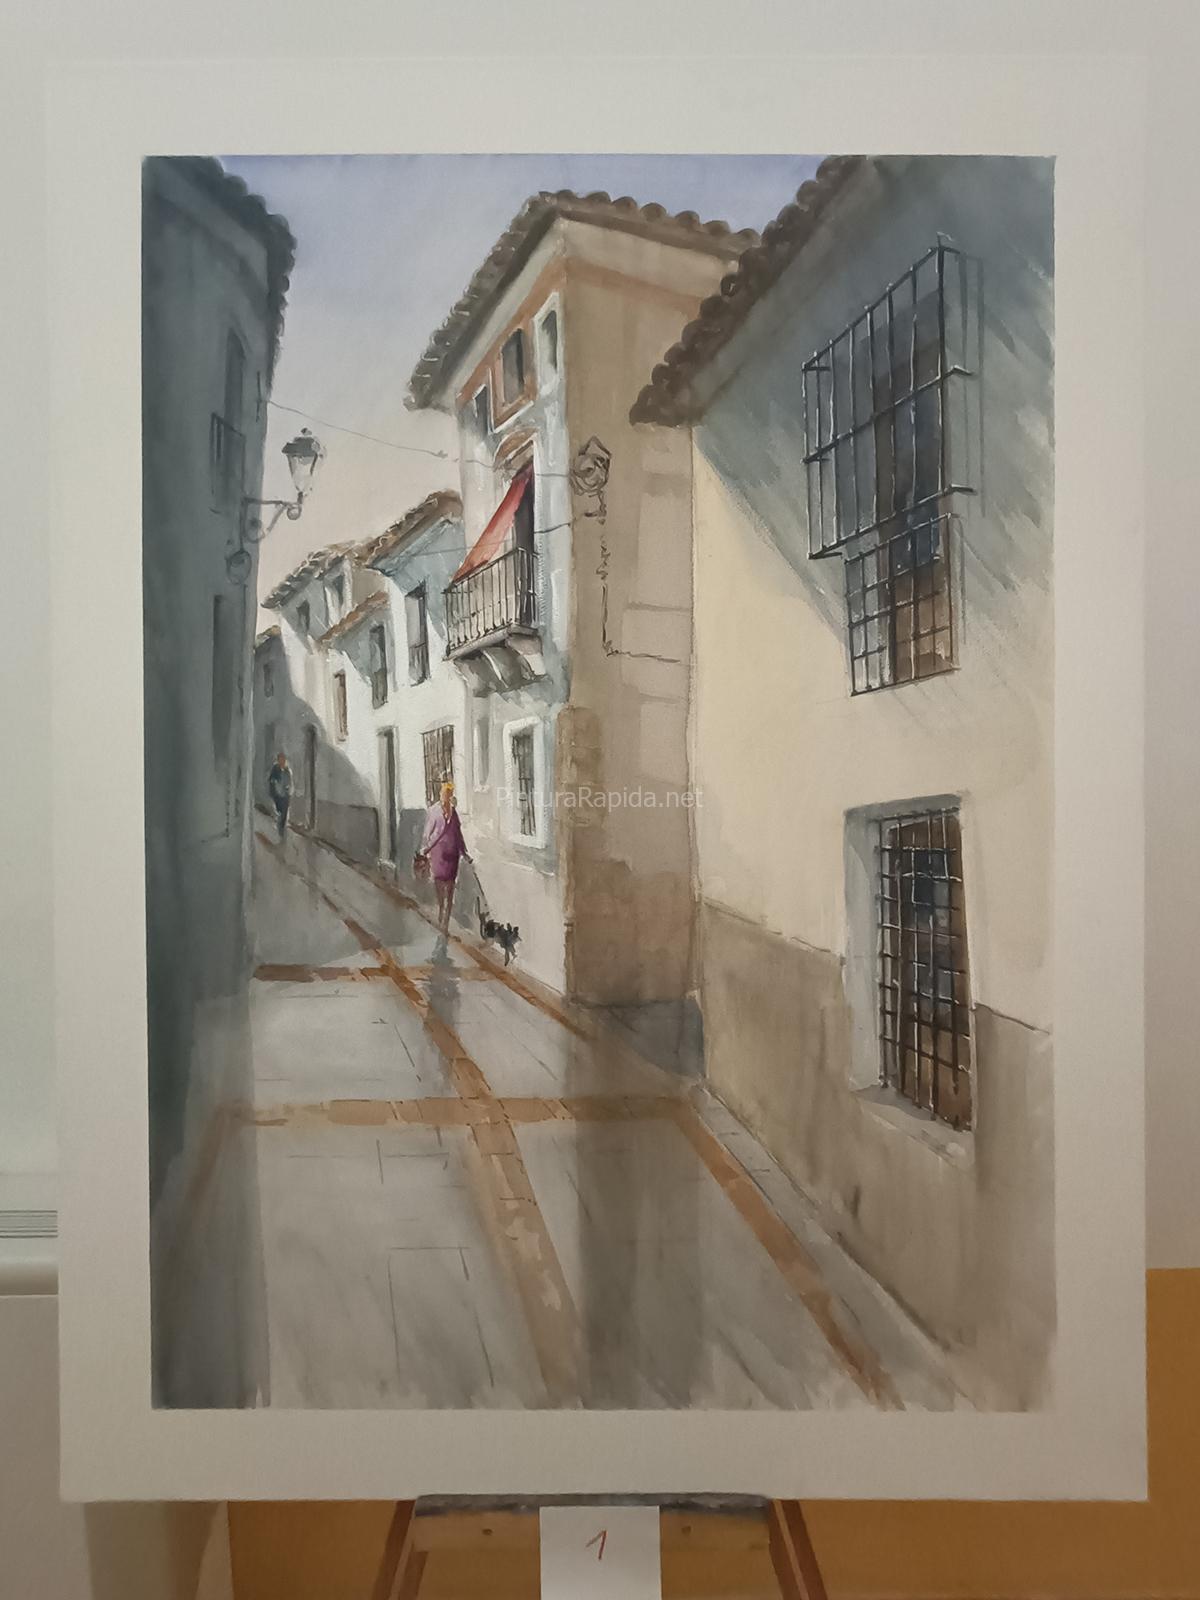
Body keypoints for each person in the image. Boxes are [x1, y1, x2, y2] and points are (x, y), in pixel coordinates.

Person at [417, 780, 471, 932]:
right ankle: (441, 908)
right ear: (441, 793)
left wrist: (464, 852)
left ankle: (446, 919)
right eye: (444, 793)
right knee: (439, 883)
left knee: (451, 885)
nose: (446, 796)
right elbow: (428, 832)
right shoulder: (433, 811)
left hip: (452, 853)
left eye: (449, 793)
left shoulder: (454, 812)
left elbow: (458, 834)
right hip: (438, 853)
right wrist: (425, 849)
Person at [268, 751, 292, 841]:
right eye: (280, 759)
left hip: (285, 794)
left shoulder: (287, 770)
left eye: (283, 759)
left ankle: (282, 828)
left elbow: (289, 781)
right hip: (277, 794)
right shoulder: (275, 768)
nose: (282, 761)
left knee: (284, 812)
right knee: (279, 811)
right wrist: (274, 782)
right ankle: (279, 825)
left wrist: (288, 788)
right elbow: (271, 779)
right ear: (278, 760)